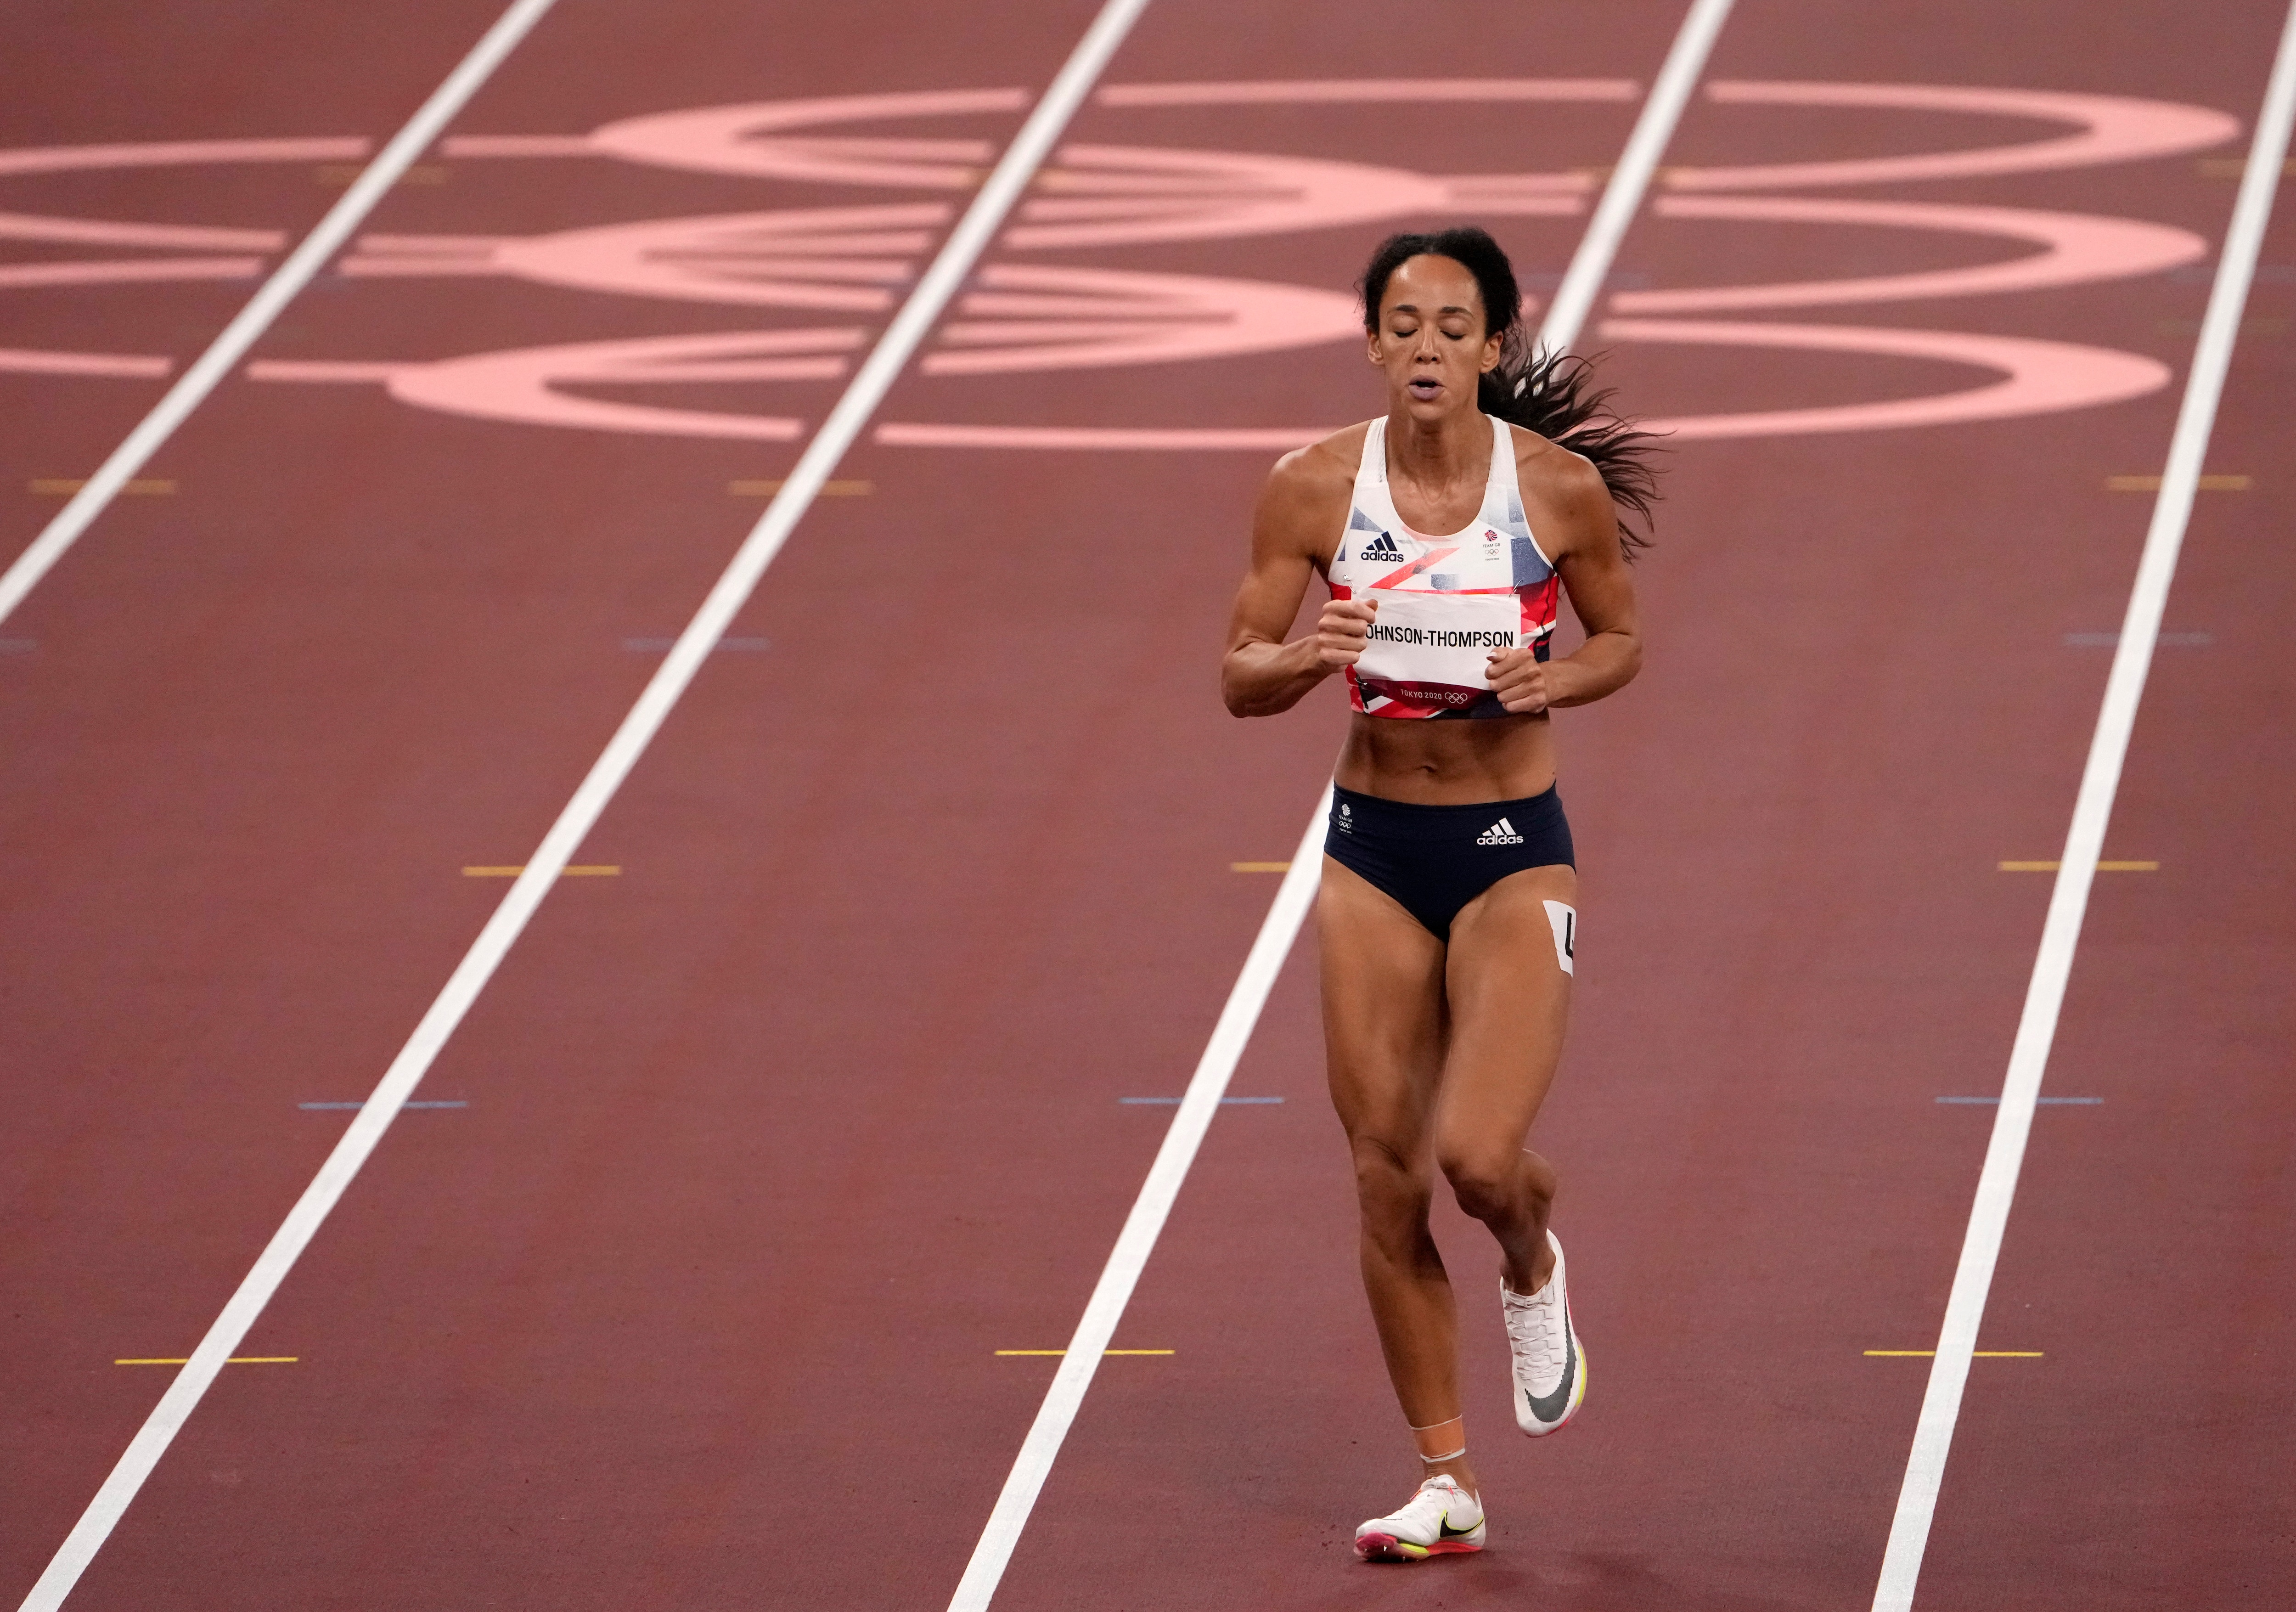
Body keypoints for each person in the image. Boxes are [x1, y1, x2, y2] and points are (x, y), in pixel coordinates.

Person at [1220, 226, 1658, 1563]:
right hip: (1370, 852)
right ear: (1370, 342)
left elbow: (1622, 640)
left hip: (1512, 847)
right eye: (1402, 324)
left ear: (1494, 345)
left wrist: (1554, 681)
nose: (1425, 346)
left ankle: (1533, 1258)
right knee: (1383, 1177)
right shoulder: (1309, 489)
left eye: (1453, 326)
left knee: (1476, 1157)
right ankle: (1447, 1481)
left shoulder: (1556, 491)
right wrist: (1307, 657)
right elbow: (1238, 672)